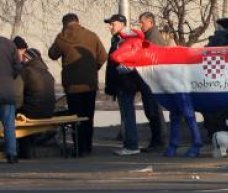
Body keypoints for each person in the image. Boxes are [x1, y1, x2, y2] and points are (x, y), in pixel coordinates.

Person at [48, 13, 106, 156]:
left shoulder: (62, 38)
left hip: (72, 85)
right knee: (88, 116)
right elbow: (103, 56)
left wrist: (60, 37)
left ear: (64, 24)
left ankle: (78, 148)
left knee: (75, 117)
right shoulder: (92, 36)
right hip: (89, 84)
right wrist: (93, 68)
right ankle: (87, 147)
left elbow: (52, 54)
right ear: (78, 22)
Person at [105, 14, 142, 156]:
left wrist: (125, 68)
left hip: (126, 83)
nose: (110, 27)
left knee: (128, 114)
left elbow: (132, 59)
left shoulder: (126, 40)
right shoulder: (117, 40)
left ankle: (132, 146)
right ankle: (129, 144)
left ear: (121, 24)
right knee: (126, 114)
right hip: (122, 83)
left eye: (112, 24)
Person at [136, 12, 166, 152]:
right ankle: (156, 141)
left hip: (152, 81)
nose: (140, 25)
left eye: (142, 22)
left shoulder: (153, 38)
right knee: (151, 111)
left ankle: (158, 142)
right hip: (150, 80)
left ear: (151, 22)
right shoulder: (149, 36)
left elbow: (149, 58)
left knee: (153, 111)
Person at [12, 37, 55, 120]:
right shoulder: (48, 74)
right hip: (48, 113)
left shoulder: (25, 72)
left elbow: (17, 99)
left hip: (31, 114)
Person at [0, 36, 21, 163]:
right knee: (9, 125)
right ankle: (12, 154)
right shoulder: (9, 44)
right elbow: (18, 67)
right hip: (6, 91)